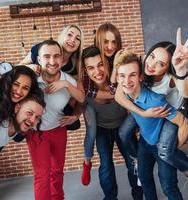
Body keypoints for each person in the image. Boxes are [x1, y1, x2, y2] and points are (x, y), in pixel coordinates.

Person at [115, 28, 188, 199]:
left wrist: (180, 68)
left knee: (166, 174)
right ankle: (138, 161)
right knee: (124, 132)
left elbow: (186, 93)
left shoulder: (169, 81)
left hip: (168, 115)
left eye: (161, 64)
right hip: (148, 120)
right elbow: (119, 94)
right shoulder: (133, 74)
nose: (152, 64)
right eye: (152, 56)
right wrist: (143, 114)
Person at [80, 46, 143, 200]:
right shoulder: (86, 88)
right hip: (102, 129)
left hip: (123, 126)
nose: (97, 71)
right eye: (91, 67)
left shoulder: (120, 79)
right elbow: (78, 105)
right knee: (106, 164)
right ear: (86, 71)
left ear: (108, 64)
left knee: (133, 162)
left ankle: (139, 196)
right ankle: (110, 197)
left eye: (100, 64)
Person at [25, 39, 85, 200]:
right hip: (36, 134)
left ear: (62, 58)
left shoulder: (68, 80)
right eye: (47, 56)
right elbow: (6, 78)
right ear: (38, 59)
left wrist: (65, 84)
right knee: (42, 175)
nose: (52, 61)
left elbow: (81, 98)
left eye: (56, 56)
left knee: (57, 171)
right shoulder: (30, 78)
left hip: (59, 130)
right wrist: (26, 68)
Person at [81, 23, 129, 186]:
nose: (110, 46)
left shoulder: (120, 60)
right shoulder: (91, 60)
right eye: (106, 42)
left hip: (120, 119)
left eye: (114, 42)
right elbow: (87, 91)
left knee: (133, 159)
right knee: (92, 131)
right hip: (100, 120)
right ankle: (87, 161)